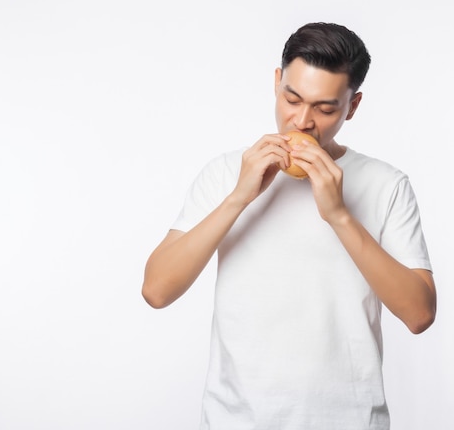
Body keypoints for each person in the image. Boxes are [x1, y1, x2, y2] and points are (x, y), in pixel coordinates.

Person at [143, 22, 436, 430]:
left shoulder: (386, 185)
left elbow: (419, 314)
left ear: (352, 106)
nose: (301, 121)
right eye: (291, 98)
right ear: (277, 82)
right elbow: (156, 291)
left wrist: (339, 215)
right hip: (236, 420)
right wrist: (238, 198)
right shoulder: (226, 173)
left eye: (325, 108)